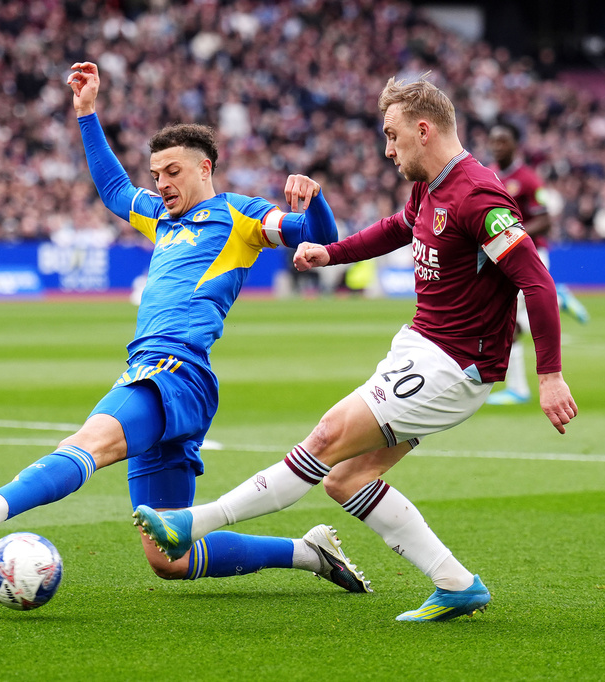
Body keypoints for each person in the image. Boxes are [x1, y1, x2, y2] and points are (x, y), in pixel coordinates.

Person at [134, 75, 578, 622]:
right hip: (422, 347)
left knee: (326, 438)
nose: (387, 150)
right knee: (348, 479)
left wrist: (550, 374)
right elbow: (399, 226)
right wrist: (331, 253)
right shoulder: (432, 185)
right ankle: (456, 584)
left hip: (454, 366)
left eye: (392, 136)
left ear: (423, 129)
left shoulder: (478, 196)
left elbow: (537, 280)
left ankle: (193, 522)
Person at [0, 61, 372, 594]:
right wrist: (87, 113)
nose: (161, 183)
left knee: (92, 440)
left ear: (205, 168)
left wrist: (316, 199)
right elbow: (116, 189)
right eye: (157, 173)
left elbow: (318, 238)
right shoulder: (160, 217)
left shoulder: (241, 216)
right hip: (173, 380)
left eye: (173, 172)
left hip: (173, 369)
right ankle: (308, 553)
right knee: (170, 558)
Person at [485, 121, 588, 405]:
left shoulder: (528, 179)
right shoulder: (487, 175)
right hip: (502, 256)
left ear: (515, 144)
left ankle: (518, 388)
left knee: (509, 321)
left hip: (528, 254)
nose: (497, 146)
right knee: (514, 321)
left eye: (503, 140)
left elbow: (545, 220)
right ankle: (558, 298)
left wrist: (512, 236)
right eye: (493, 140)